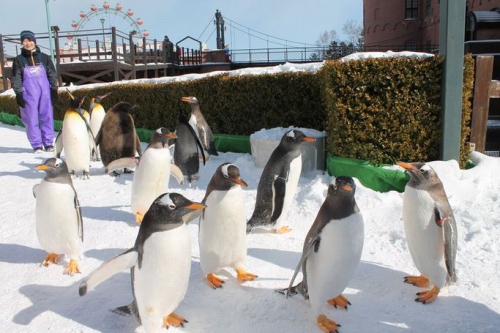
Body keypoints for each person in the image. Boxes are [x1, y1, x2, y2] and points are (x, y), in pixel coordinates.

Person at [11, 30, 58, 153]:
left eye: (30, 40)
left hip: (45, 92)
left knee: (47, 116)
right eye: (25, 41)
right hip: (28, 93)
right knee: (31, 119)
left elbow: (52, 74)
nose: (28, 43)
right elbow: (16, 77)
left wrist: (54, 89)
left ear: (34, 41)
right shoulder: (19, 60)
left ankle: (48, 143)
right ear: (22, 43)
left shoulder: (44, 58)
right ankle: (37, 144)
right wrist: (18, 93)